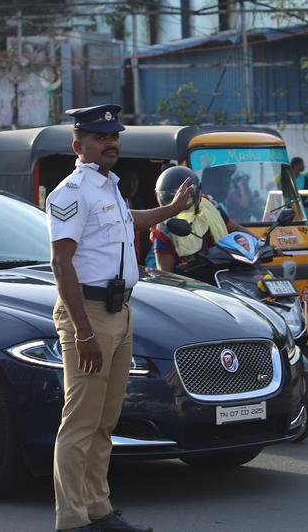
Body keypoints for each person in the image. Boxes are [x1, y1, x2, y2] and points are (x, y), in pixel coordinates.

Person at [45, 104, 193, 532]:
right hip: (88, 315)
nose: (110, 143)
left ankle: (98, 509)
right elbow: (61, 263)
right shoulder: (70, 192)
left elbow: (132, 222)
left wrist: (172, 209)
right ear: (79, 144)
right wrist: (83, 330)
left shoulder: (110, 187)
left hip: (120, 311)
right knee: (79, 423)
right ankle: (71, 521)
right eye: (99, 137)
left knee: (105, 422)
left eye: (113, 137)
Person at [151, 165, 246, 275]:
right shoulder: (164, 228)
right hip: (192, 286)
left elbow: (236, 229)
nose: (179, 205)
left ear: (197, 193)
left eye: (186, 198)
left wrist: (260, 243)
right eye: (171, 200)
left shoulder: (210, 207)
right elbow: (165, 274)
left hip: (224, 274)